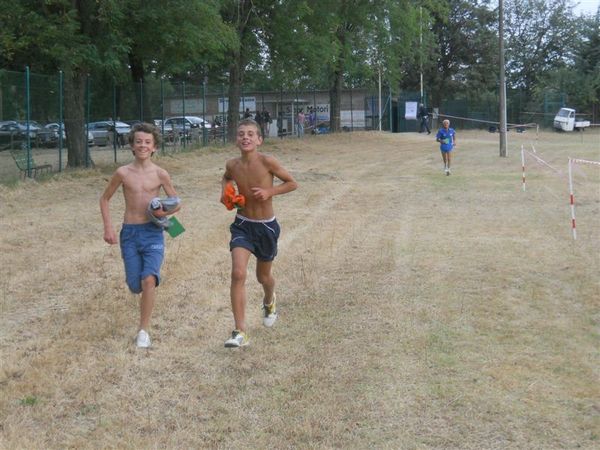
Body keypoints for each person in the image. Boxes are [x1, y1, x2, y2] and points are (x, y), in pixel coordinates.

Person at [100, 122, 181, 348]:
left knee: (148, 280)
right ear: (132, 146)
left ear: (154, 147)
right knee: (135, 285)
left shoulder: (160, 174)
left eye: (148, 142)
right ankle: (146, 284)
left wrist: (162, 211)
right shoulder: (122, 173)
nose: (143, 145)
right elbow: (104, 199)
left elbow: (176, 204)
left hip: (153, 232)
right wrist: (108, 227)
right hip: (130, 233)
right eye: (139, 142)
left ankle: (143, 331)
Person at [220, 118, 298, 347]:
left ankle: (269, 300)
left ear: (259, 140)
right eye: (241, 134)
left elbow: (292, 183)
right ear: (236, 140)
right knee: (237, 273)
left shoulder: (267, 162)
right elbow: (226, 178)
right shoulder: (232, 165)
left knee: (263, 277)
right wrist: (226, 191)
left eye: (251, 134)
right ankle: (240, 331)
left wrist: (269, 191)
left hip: (266, 226)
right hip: (242, 224)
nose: (246, 137)